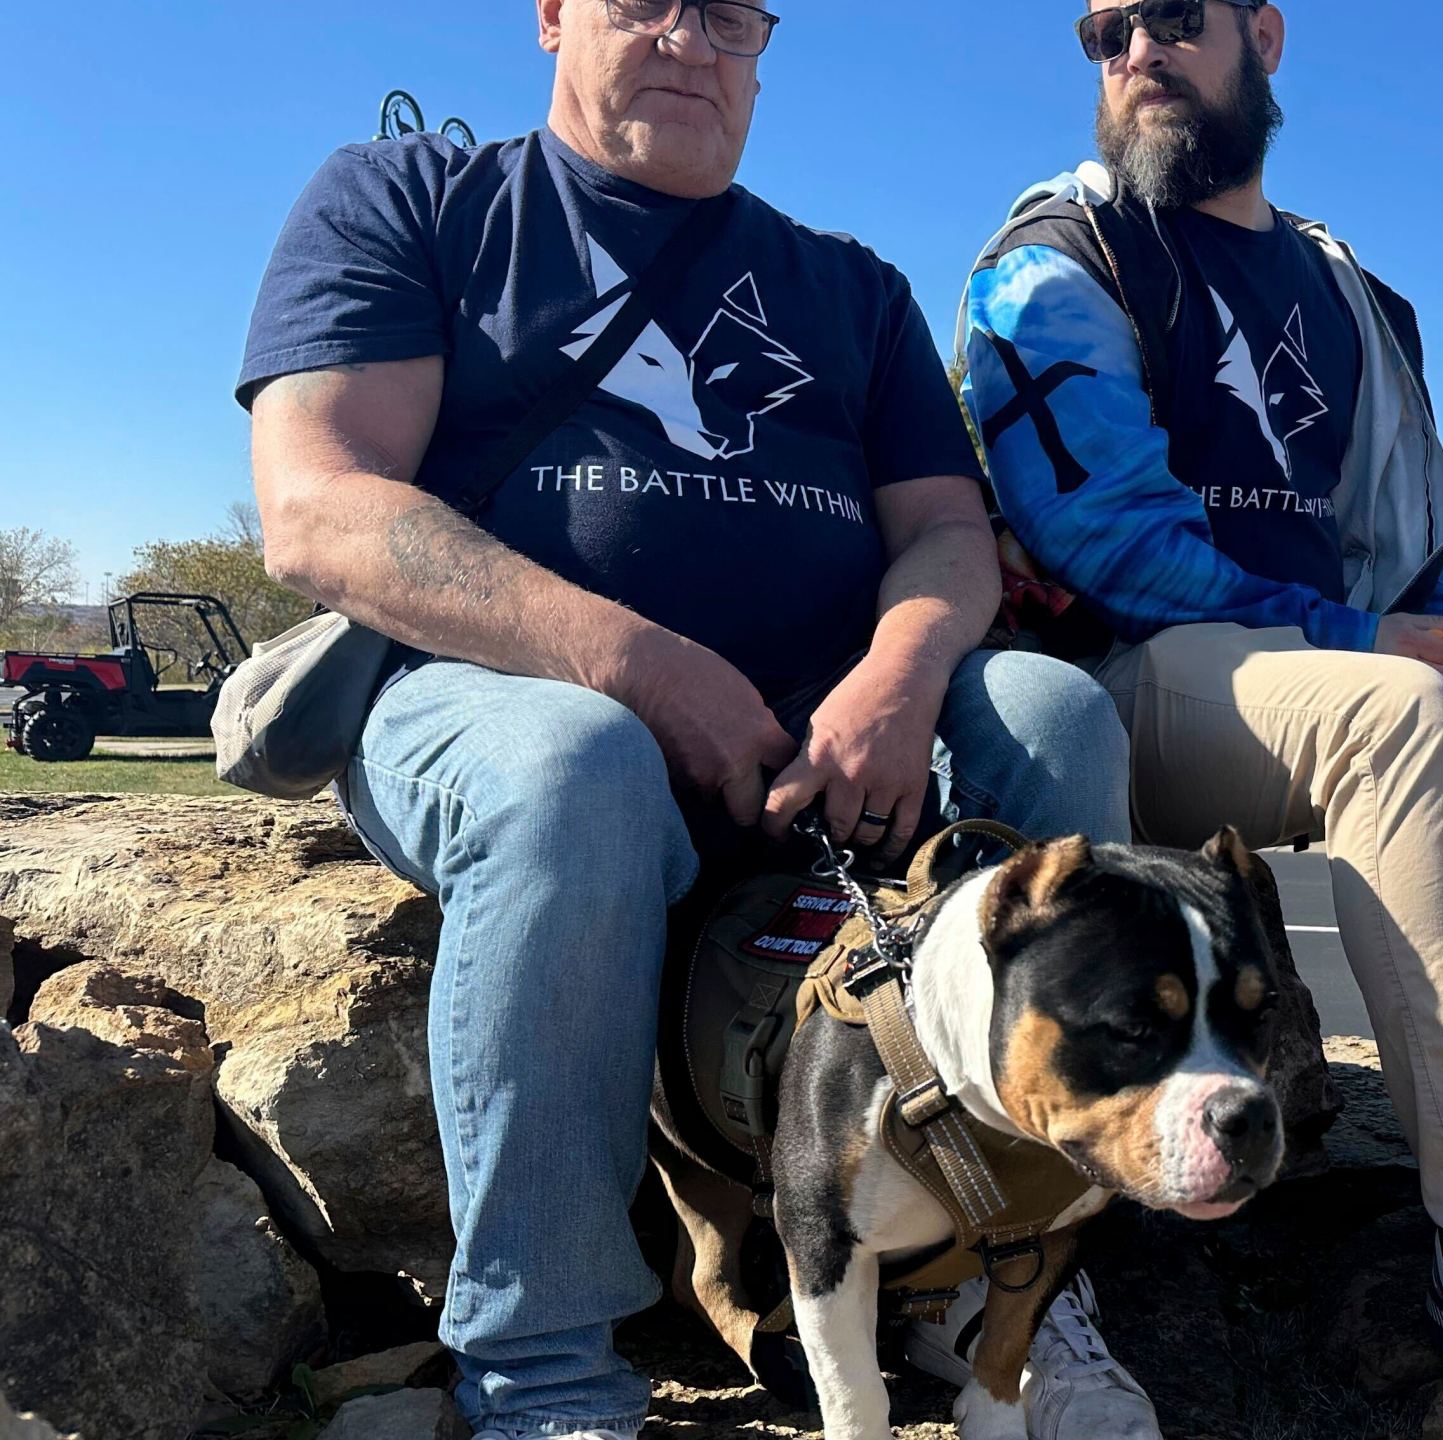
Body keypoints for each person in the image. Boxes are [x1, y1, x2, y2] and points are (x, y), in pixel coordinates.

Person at [237, 3, 1130, 1437]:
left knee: (1047, 707)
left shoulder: (848, 287)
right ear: (549, 18)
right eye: (640, 1)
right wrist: (639, 667)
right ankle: (543, 1370)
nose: (685, 39)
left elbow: (950, 539)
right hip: (493, 711)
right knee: (576, 763)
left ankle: (1013, 1279)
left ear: (763, 46)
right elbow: (320, 503)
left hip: (831, 746)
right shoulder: (415, 199)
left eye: (725, 14)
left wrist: (898, 682)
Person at [952, 2, 1443, 1433]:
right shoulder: (1054, 260)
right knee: (1395, 711)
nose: (1136, 55)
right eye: (1103, 31)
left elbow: (1425, 547)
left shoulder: (1350, 287)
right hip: (1142, 680)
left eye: (1173, 20)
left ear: (1264, 36)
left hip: (1338, 674)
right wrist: (1378, 654)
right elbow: (1098, 536)